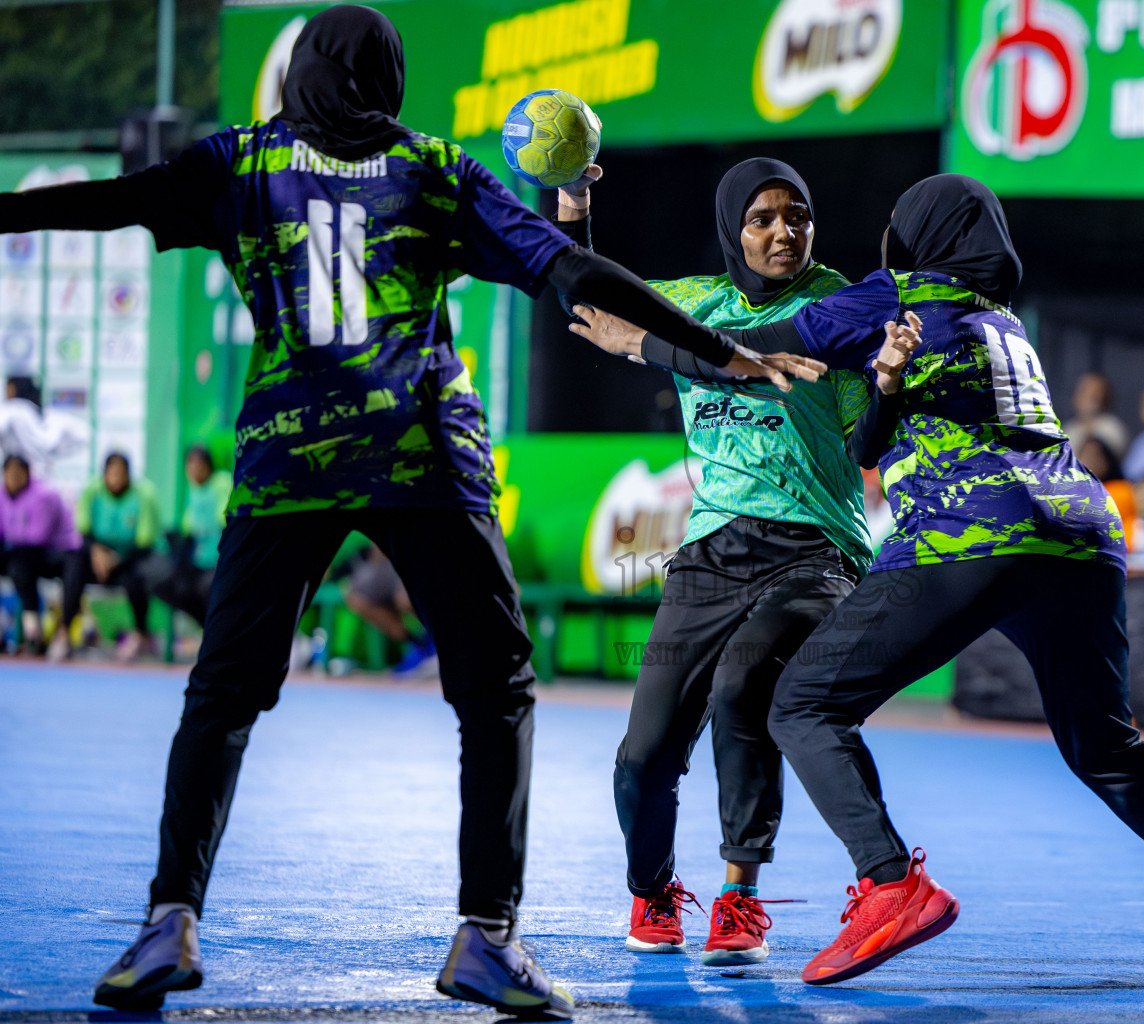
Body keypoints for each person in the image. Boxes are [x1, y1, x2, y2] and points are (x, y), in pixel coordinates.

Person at [0, 6, 818, 1015]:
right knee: (497, 688)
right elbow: (576, 277)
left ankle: (169, 916)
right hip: (420, 449)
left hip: (290, 452)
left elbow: (115, 201)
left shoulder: (239, 163)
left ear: (299, 74)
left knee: (221, 692)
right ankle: (485, 935)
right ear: (389, 80)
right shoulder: (436, 168)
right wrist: (726, 348)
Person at [683, 174, 1144, 986]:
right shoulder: (1002, 322)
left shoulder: (895, 294)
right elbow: (873, 442)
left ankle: (890, 883)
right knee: (1107, 747)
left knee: (801, 702)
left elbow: (763, 339)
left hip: (970, 528)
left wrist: (641, 335)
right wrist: (887, 384)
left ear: (913, 238)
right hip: (1083, 532)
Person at [564, 158, 872, 966]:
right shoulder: (700, 302)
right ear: (734, 228)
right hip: (712, 552)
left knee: (745, 687)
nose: (783, 232)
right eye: (763, 218)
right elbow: (586, 294)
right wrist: (571, 201)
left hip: (815, 548)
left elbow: (871, 433)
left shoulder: (835, 309)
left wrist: (891, 384)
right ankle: (654, 890)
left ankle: (740, 895)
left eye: (797, 215)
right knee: (643, 755)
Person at [76, 452, 160, 661]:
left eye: (120, 473)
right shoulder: (92, 492)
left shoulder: (143, 495)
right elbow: (83, 533)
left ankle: (140, 633)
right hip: (97, 562)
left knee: (138, 577)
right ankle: (65, 630)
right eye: (111, 473)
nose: (116, 478)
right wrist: (97, 554)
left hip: (128, 561)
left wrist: (116, 560)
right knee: (73, 564)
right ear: (104, 475)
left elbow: (144, 543)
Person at [0, 454, 85, 658]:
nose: (13, 478)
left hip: (59, 553)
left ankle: (62, 633)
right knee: (17, 564)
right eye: (9, 473)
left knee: (73, 567)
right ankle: (30, 629)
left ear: (28, 474)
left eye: (18, 473)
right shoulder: (2, 495)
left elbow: (37, 536)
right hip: (23, 555)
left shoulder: (45, 495)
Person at [149, 445, 232, 628]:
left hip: (221, 562)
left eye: (198, 463)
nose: (194, 468)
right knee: (165, 584)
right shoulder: (194, 491)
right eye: (190, 464)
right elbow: (188, 529)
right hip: (196, 565)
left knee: (209, 588)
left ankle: (218, 632)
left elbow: (224, 518)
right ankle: (209, 629)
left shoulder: (221, 482)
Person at [343, 543, 437, 677]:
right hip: (390, 560)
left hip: (422, 556)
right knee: (356, 596)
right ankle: (419, 646)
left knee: (405, 598)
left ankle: (439, 645)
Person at [0, 375, 89, 485]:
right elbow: (84, 434)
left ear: (14, 388)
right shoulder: (44, 414)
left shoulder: (13, 409)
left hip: (19, 478)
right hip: (41, 477)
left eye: (8, 388)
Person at [1063, 371, 1129, 458]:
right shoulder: (1067, 431)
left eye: (1095, 393)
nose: (1090, 397)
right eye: (1084, 391)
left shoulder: (1113, 428)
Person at [1075, 435, 1135, 524]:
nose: (1090, 461)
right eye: (1085, 456)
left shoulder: (1122, 490)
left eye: (1095, 456)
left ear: (1107, 460)